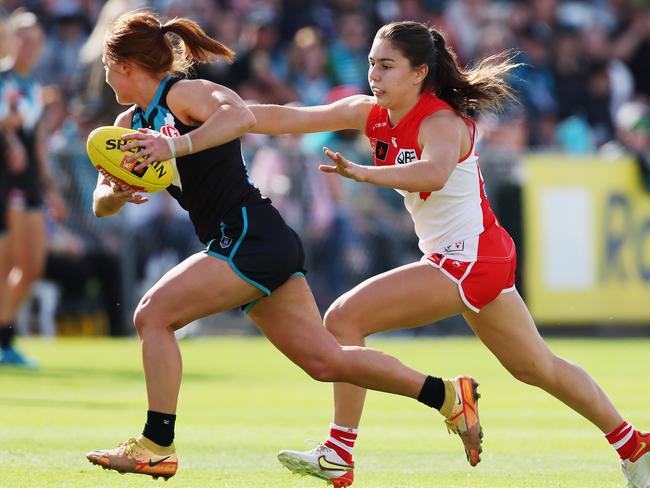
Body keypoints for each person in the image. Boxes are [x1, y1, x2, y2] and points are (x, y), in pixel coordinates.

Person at [242, 21, 650, 488]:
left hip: (469, 258)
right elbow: (285, 118)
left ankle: (340, 451)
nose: (374, 73)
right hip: (472, 256)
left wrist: (362, 173)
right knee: (536, 367)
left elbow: (434, 173)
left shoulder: (441, 121)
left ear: (419, 73)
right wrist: (211, 114)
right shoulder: (369, 112)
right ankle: (633, 444)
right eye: (373, 63)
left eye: (387, 65)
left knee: (342, 321)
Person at [85, 11, 484, 483]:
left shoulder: (182, 94)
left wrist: (176, 148)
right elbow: (100, 204)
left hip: (249, 234)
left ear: (125, 65)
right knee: (326, 361)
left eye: (107, 66)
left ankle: (156, 444)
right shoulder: (128, 124)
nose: (104, 76)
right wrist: (116, 191)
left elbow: (239, 113)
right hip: (245, 242)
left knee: (152, 314)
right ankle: (446, 396)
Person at [0, 11, 65, 367]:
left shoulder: (35, 86)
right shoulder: (3, 78)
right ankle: (5, 341)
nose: (29, 45)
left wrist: (51, 188)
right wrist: (10, 137)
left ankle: (3, 335)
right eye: (22, 37)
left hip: (29, 184)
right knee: (5, 263)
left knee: (32, 267)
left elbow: (38, 141)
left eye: (36, 39)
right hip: (5, 179)